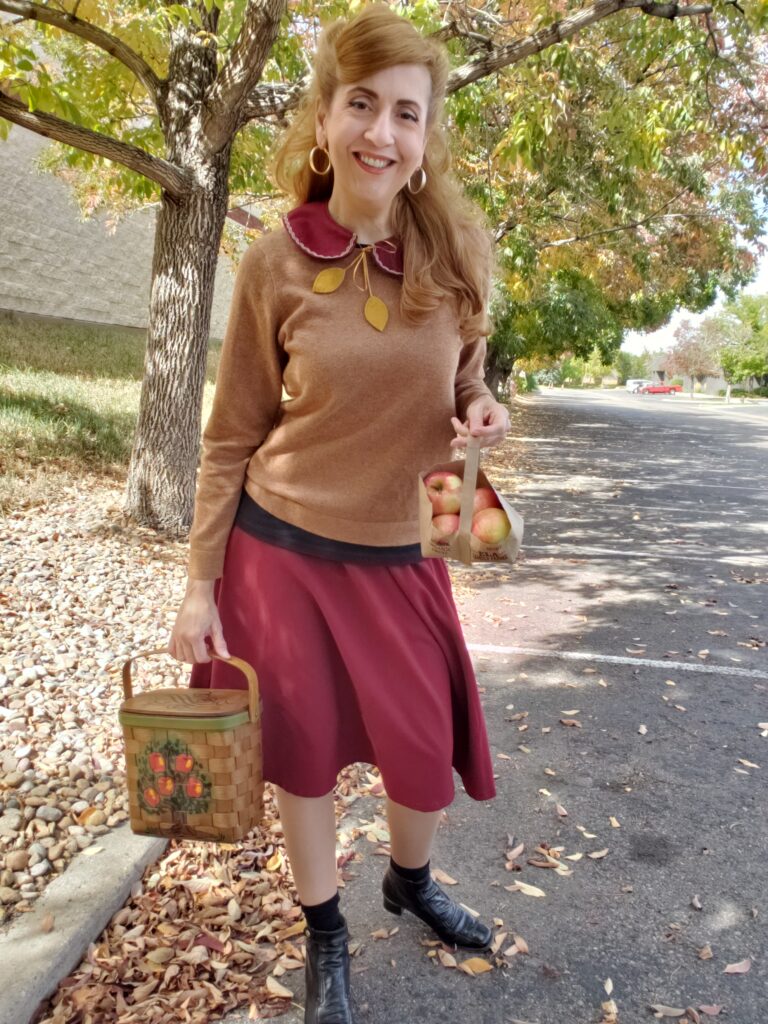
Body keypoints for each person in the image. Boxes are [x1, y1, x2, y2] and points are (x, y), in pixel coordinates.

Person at [168, 6, 510, 1022]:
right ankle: (326, 931)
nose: (381, 132)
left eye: (406, 113)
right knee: (305, 758)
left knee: (419, 756)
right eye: (361, 104)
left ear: (424, 137)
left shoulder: (453, 259)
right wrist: (198, 583)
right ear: (323, 121)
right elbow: (230, 435)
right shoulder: (273, 263)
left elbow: (465, 389)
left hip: (401, 556)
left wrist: (480, 410)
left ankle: (408, 880)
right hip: (280, 559)